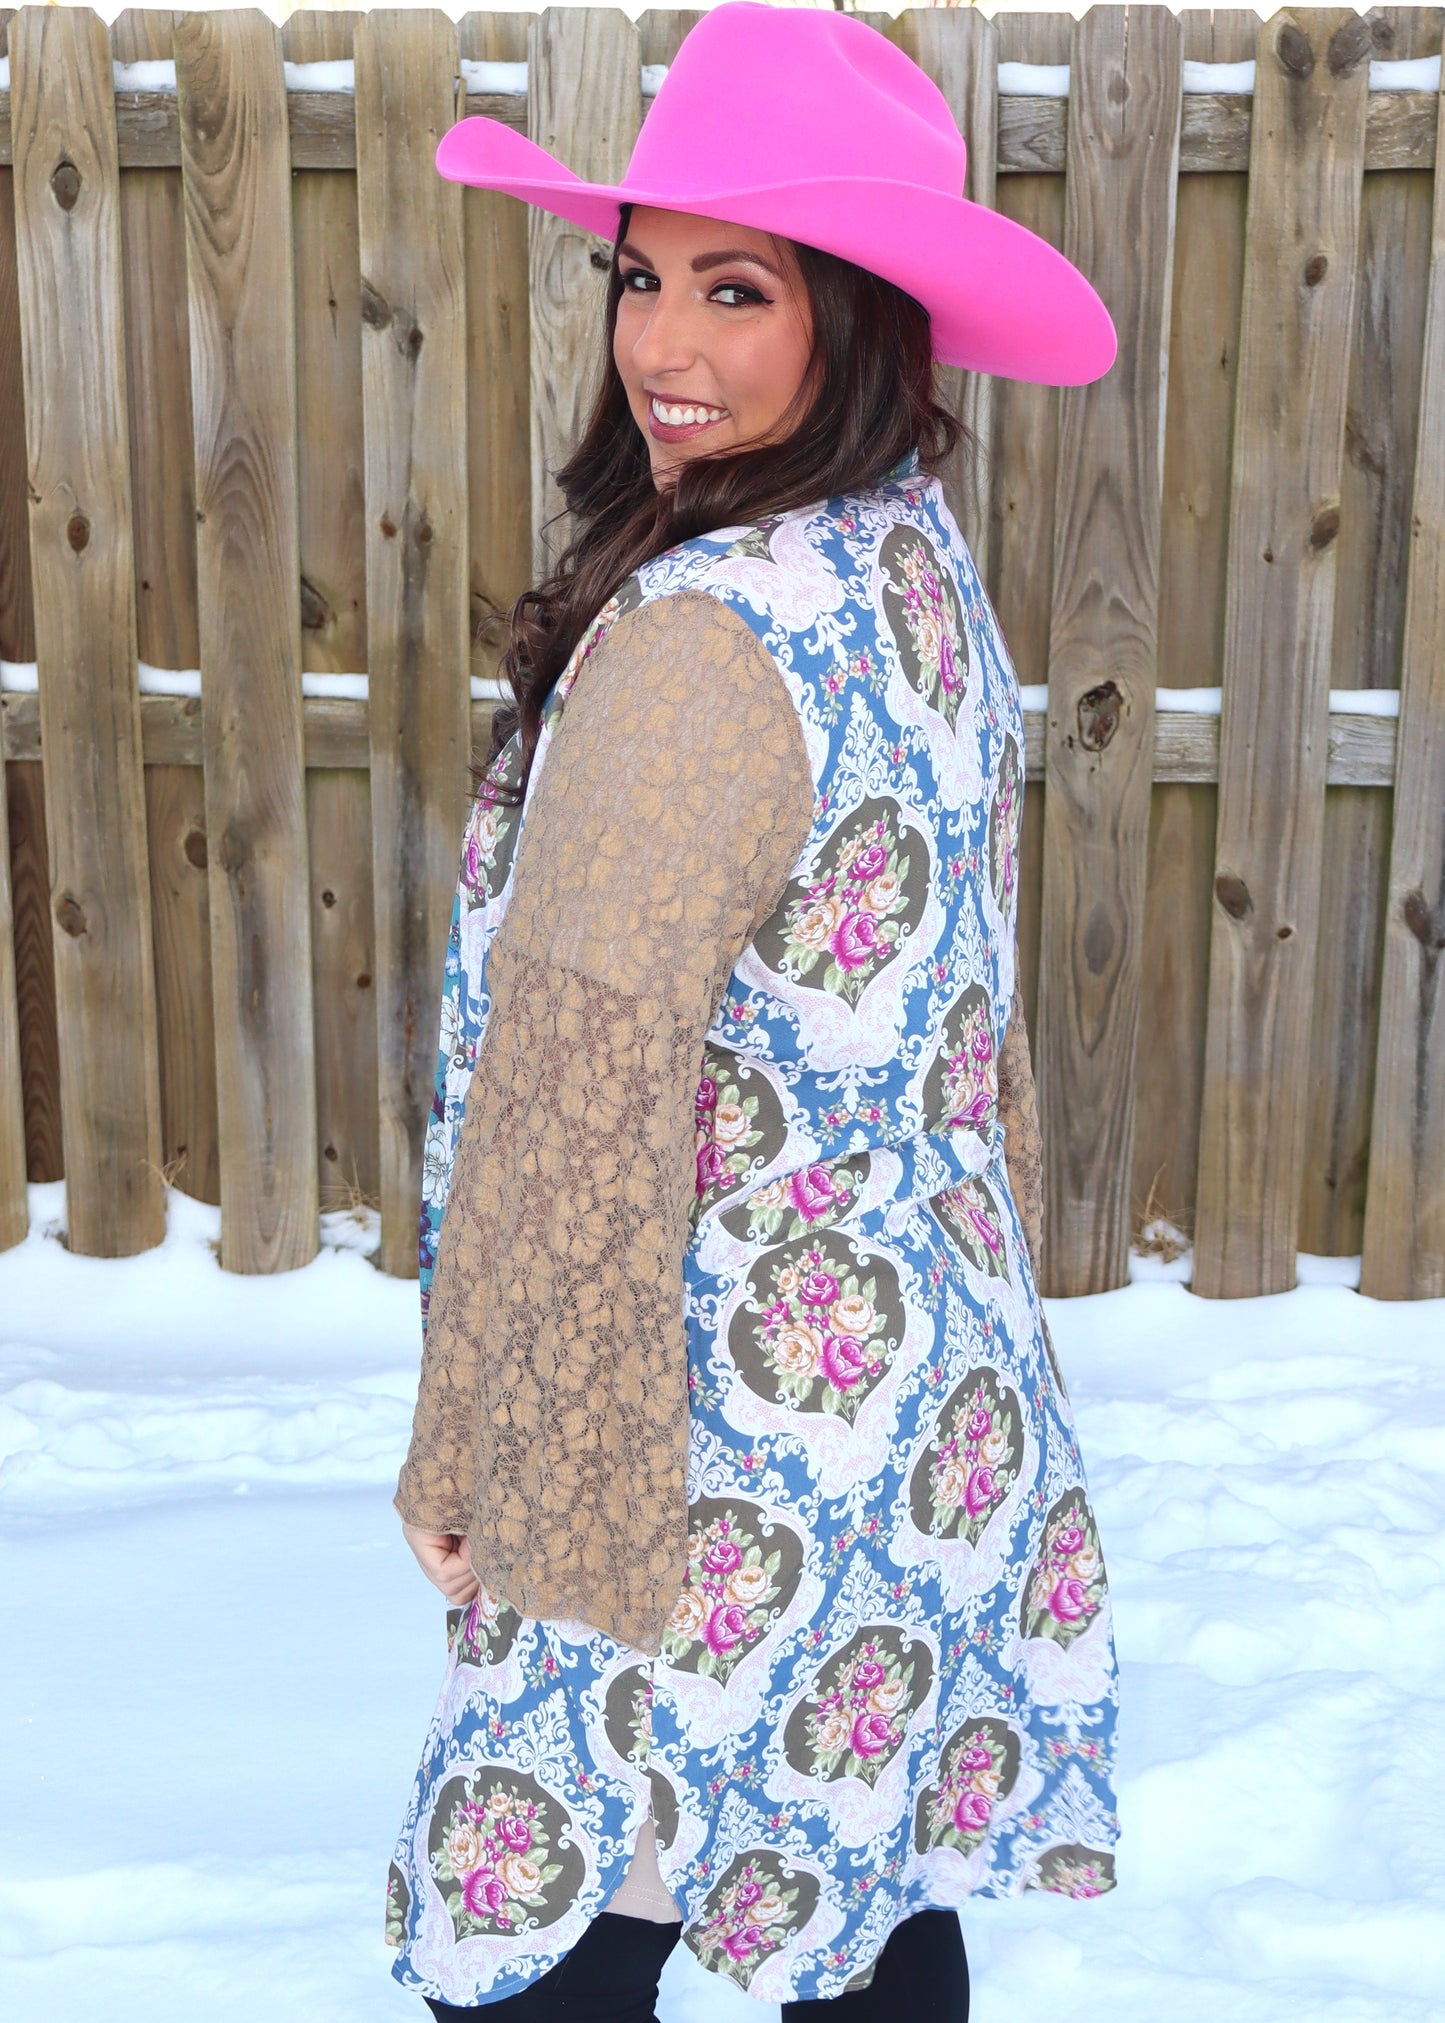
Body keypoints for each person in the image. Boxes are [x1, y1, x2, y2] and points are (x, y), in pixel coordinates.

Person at [386, 7, 1121, 2017]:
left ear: (860, 317)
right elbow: (959, 1024)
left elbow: (578, 1095)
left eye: (738, 289)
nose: (664, 349)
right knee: (852, 1864)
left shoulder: (710, 643)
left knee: (547, 1924)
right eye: (641, 275)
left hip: (690, 1416)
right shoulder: (908, 566)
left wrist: (485, 1461)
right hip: (916, 1396)